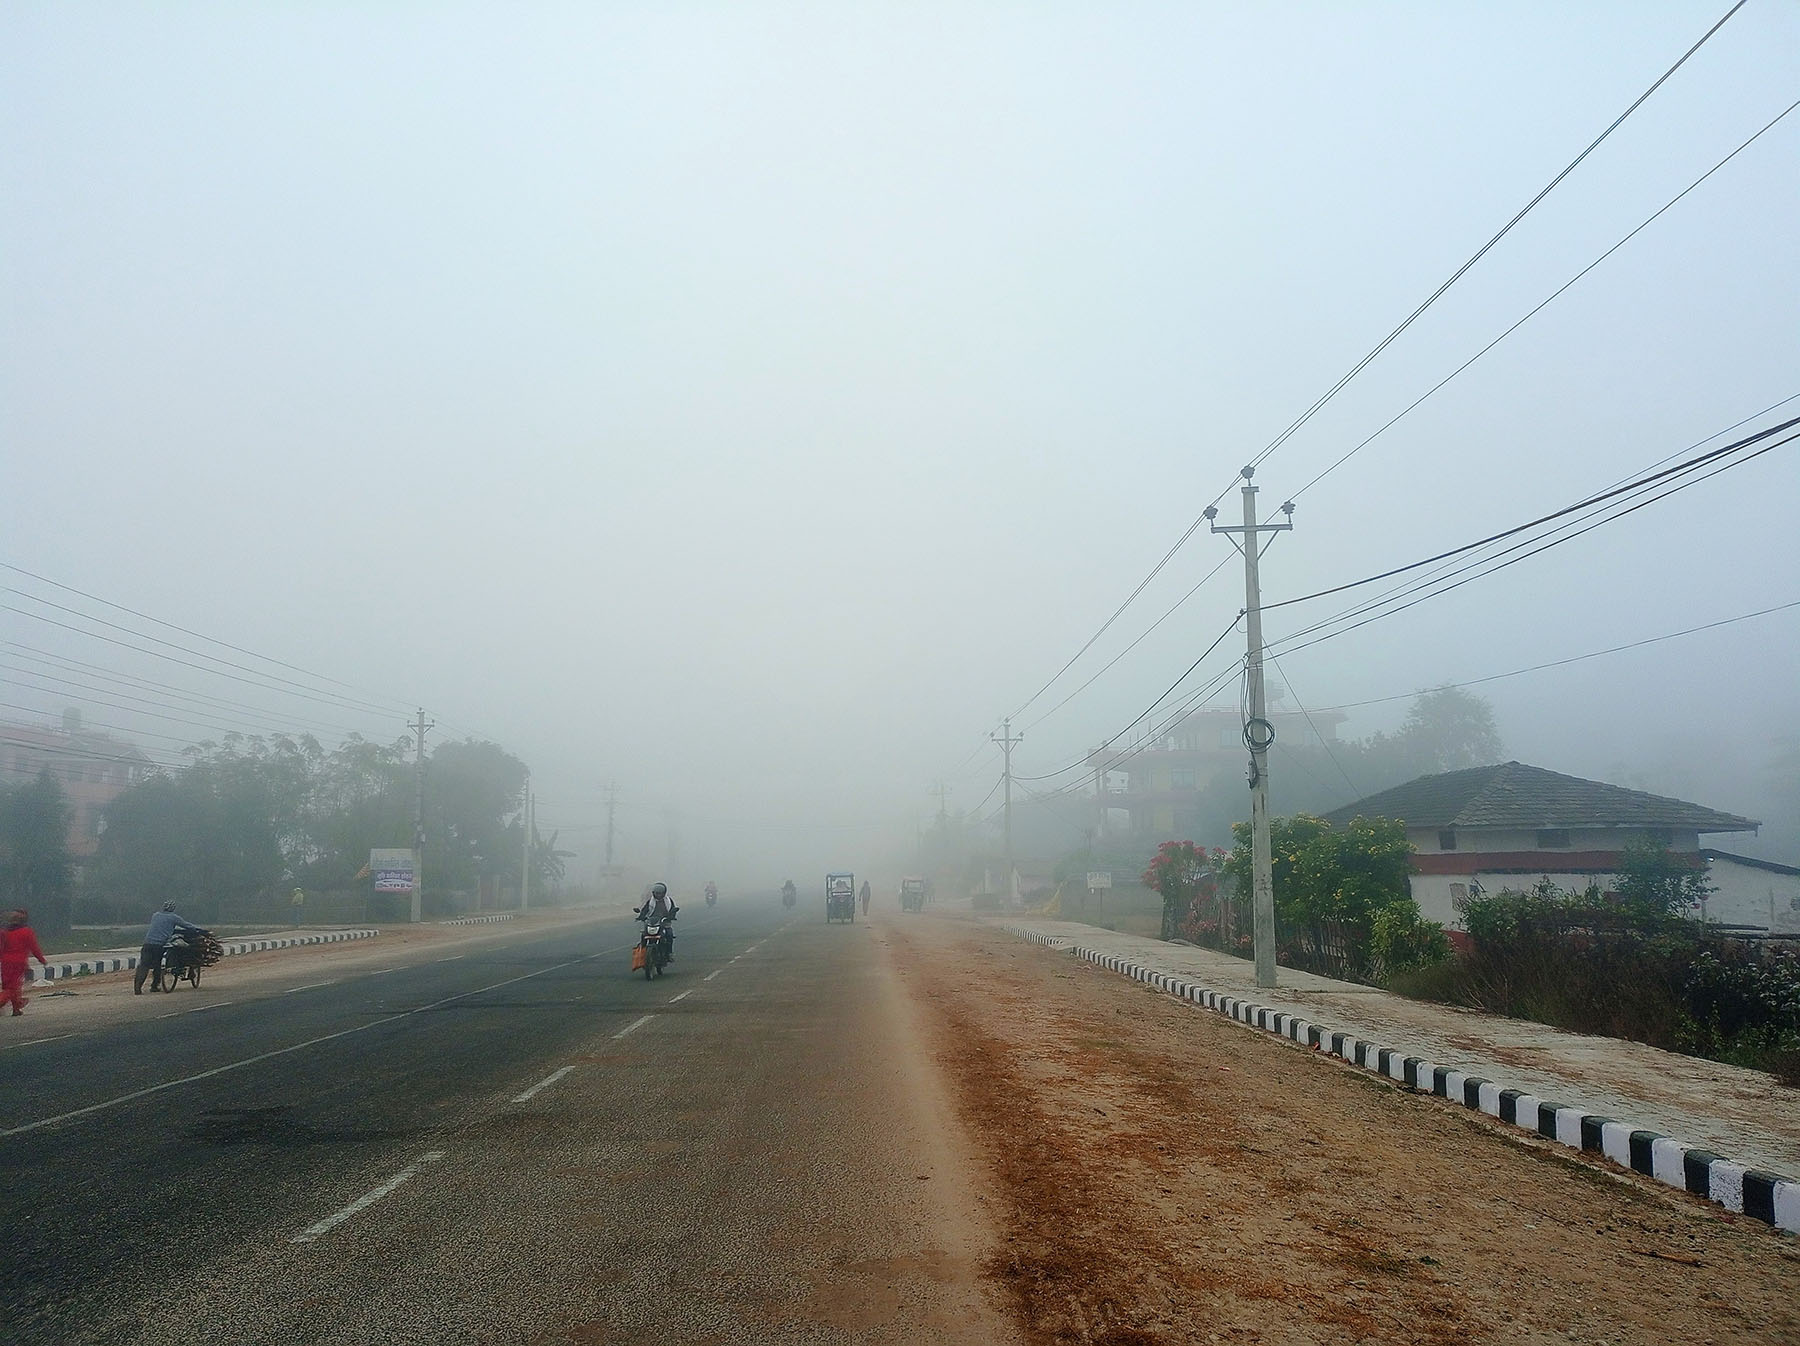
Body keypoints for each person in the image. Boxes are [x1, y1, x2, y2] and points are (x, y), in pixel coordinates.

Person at [134, 901, 206, 994]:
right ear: (173, 909)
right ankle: (154, 986)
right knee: (158, 965)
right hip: (160, 945)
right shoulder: (173, 917)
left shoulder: (155, 915)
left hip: (147, 944)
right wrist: (199, 929)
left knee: (144, 966)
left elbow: (161, 926)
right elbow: (187, 925)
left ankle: (137, 988)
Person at [0, 910, 47, 1017]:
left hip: (5, 962)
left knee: (9, 986)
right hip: (18, 963)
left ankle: (16, 1009)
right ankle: (13, 1004)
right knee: (12, 988)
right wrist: (42, 960)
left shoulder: (4, 932)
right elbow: (34, 948)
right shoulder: (27, 932)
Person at [635, 881, 677, 962]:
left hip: (665, 922)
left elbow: (673, 910)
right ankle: (642, 954)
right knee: (643, 935)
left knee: (669, 935)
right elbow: (645, 910)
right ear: (653, 893)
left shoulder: (668, 901)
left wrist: (671, 917)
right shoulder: (650, 901)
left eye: (660, 893)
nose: (658, 895)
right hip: (652, 922)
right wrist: (641, 916)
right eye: (657, 893)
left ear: (664, 893)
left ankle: (669, 953)